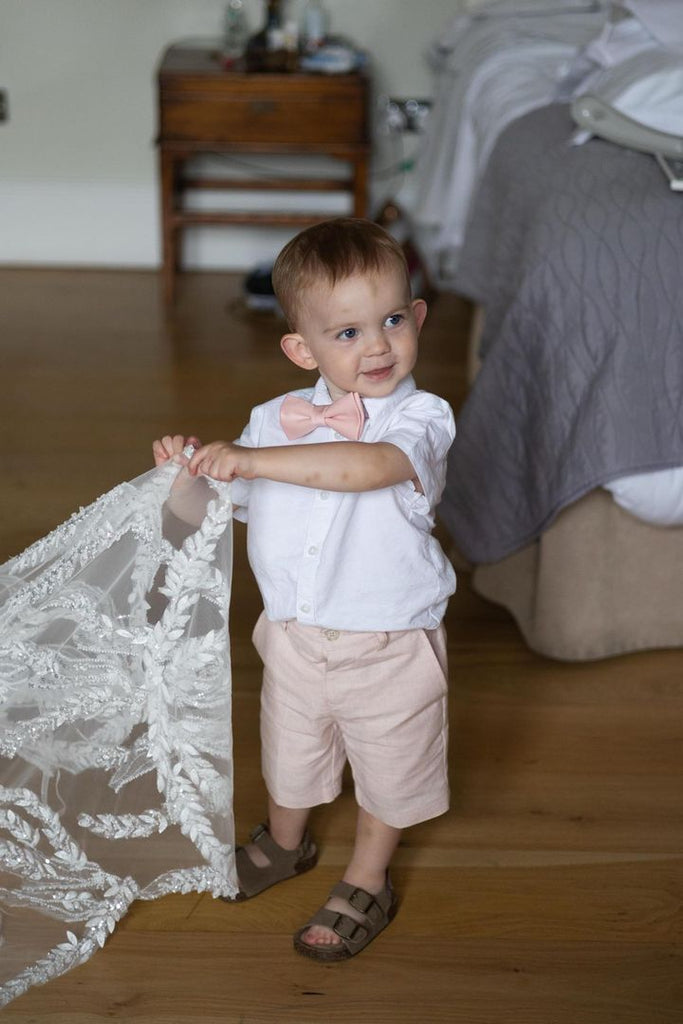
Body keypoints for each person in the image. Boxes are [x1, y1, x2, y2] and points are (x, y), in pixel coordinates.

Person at [152, 217, 456, 962]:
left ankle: (368, 874)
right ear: (302, 348)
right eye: (346, 332)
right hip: (291, 637)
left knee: (390, 770)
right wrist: (183, 475)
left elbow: (364, 467)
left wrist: (253, 464)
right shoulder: (270, 423)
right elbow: (206, 514)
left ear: (416, 318)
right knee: (289, 757)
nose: (377, 345)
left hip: (389, 642)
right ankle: (285, 843)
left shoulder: (420, 418)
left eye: (391, 319)